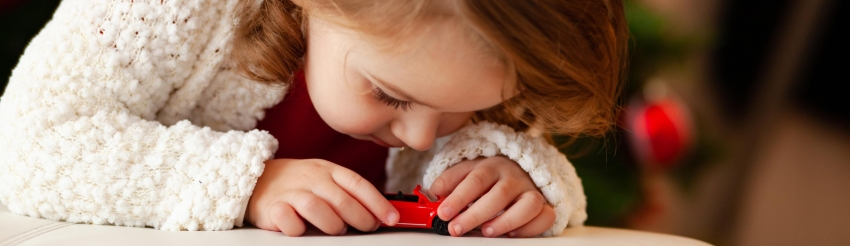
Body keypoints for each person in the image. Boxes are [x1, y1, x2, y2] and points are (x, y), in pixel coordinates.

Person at [0, 0, 627, 238]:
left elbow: (517, 146)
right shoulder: (156, 9)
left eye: (460, 107)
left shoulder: (479, 47)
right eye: (391, 95)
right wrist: (251, 183)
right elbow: (25, 141)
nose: (419, 134)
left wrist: (503, 171)